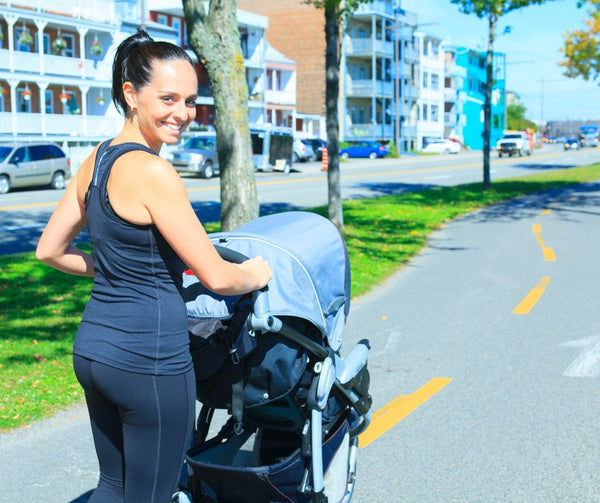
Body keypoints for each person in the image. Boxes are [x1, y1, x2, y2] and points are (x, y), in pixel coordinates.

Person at [36, 29, 272, 503]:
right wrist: (258, 273)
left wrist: (112, 272)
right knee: (151, 495)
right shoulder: (153, 172)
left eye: (189, 100)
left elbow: (50, 250)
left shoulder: (96, 161)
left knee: (113, 485)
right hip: (149, 359)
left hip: (94, 351)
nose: (182, 114)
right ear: (130, 94)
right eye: (167, 98)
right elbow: (219, 276)